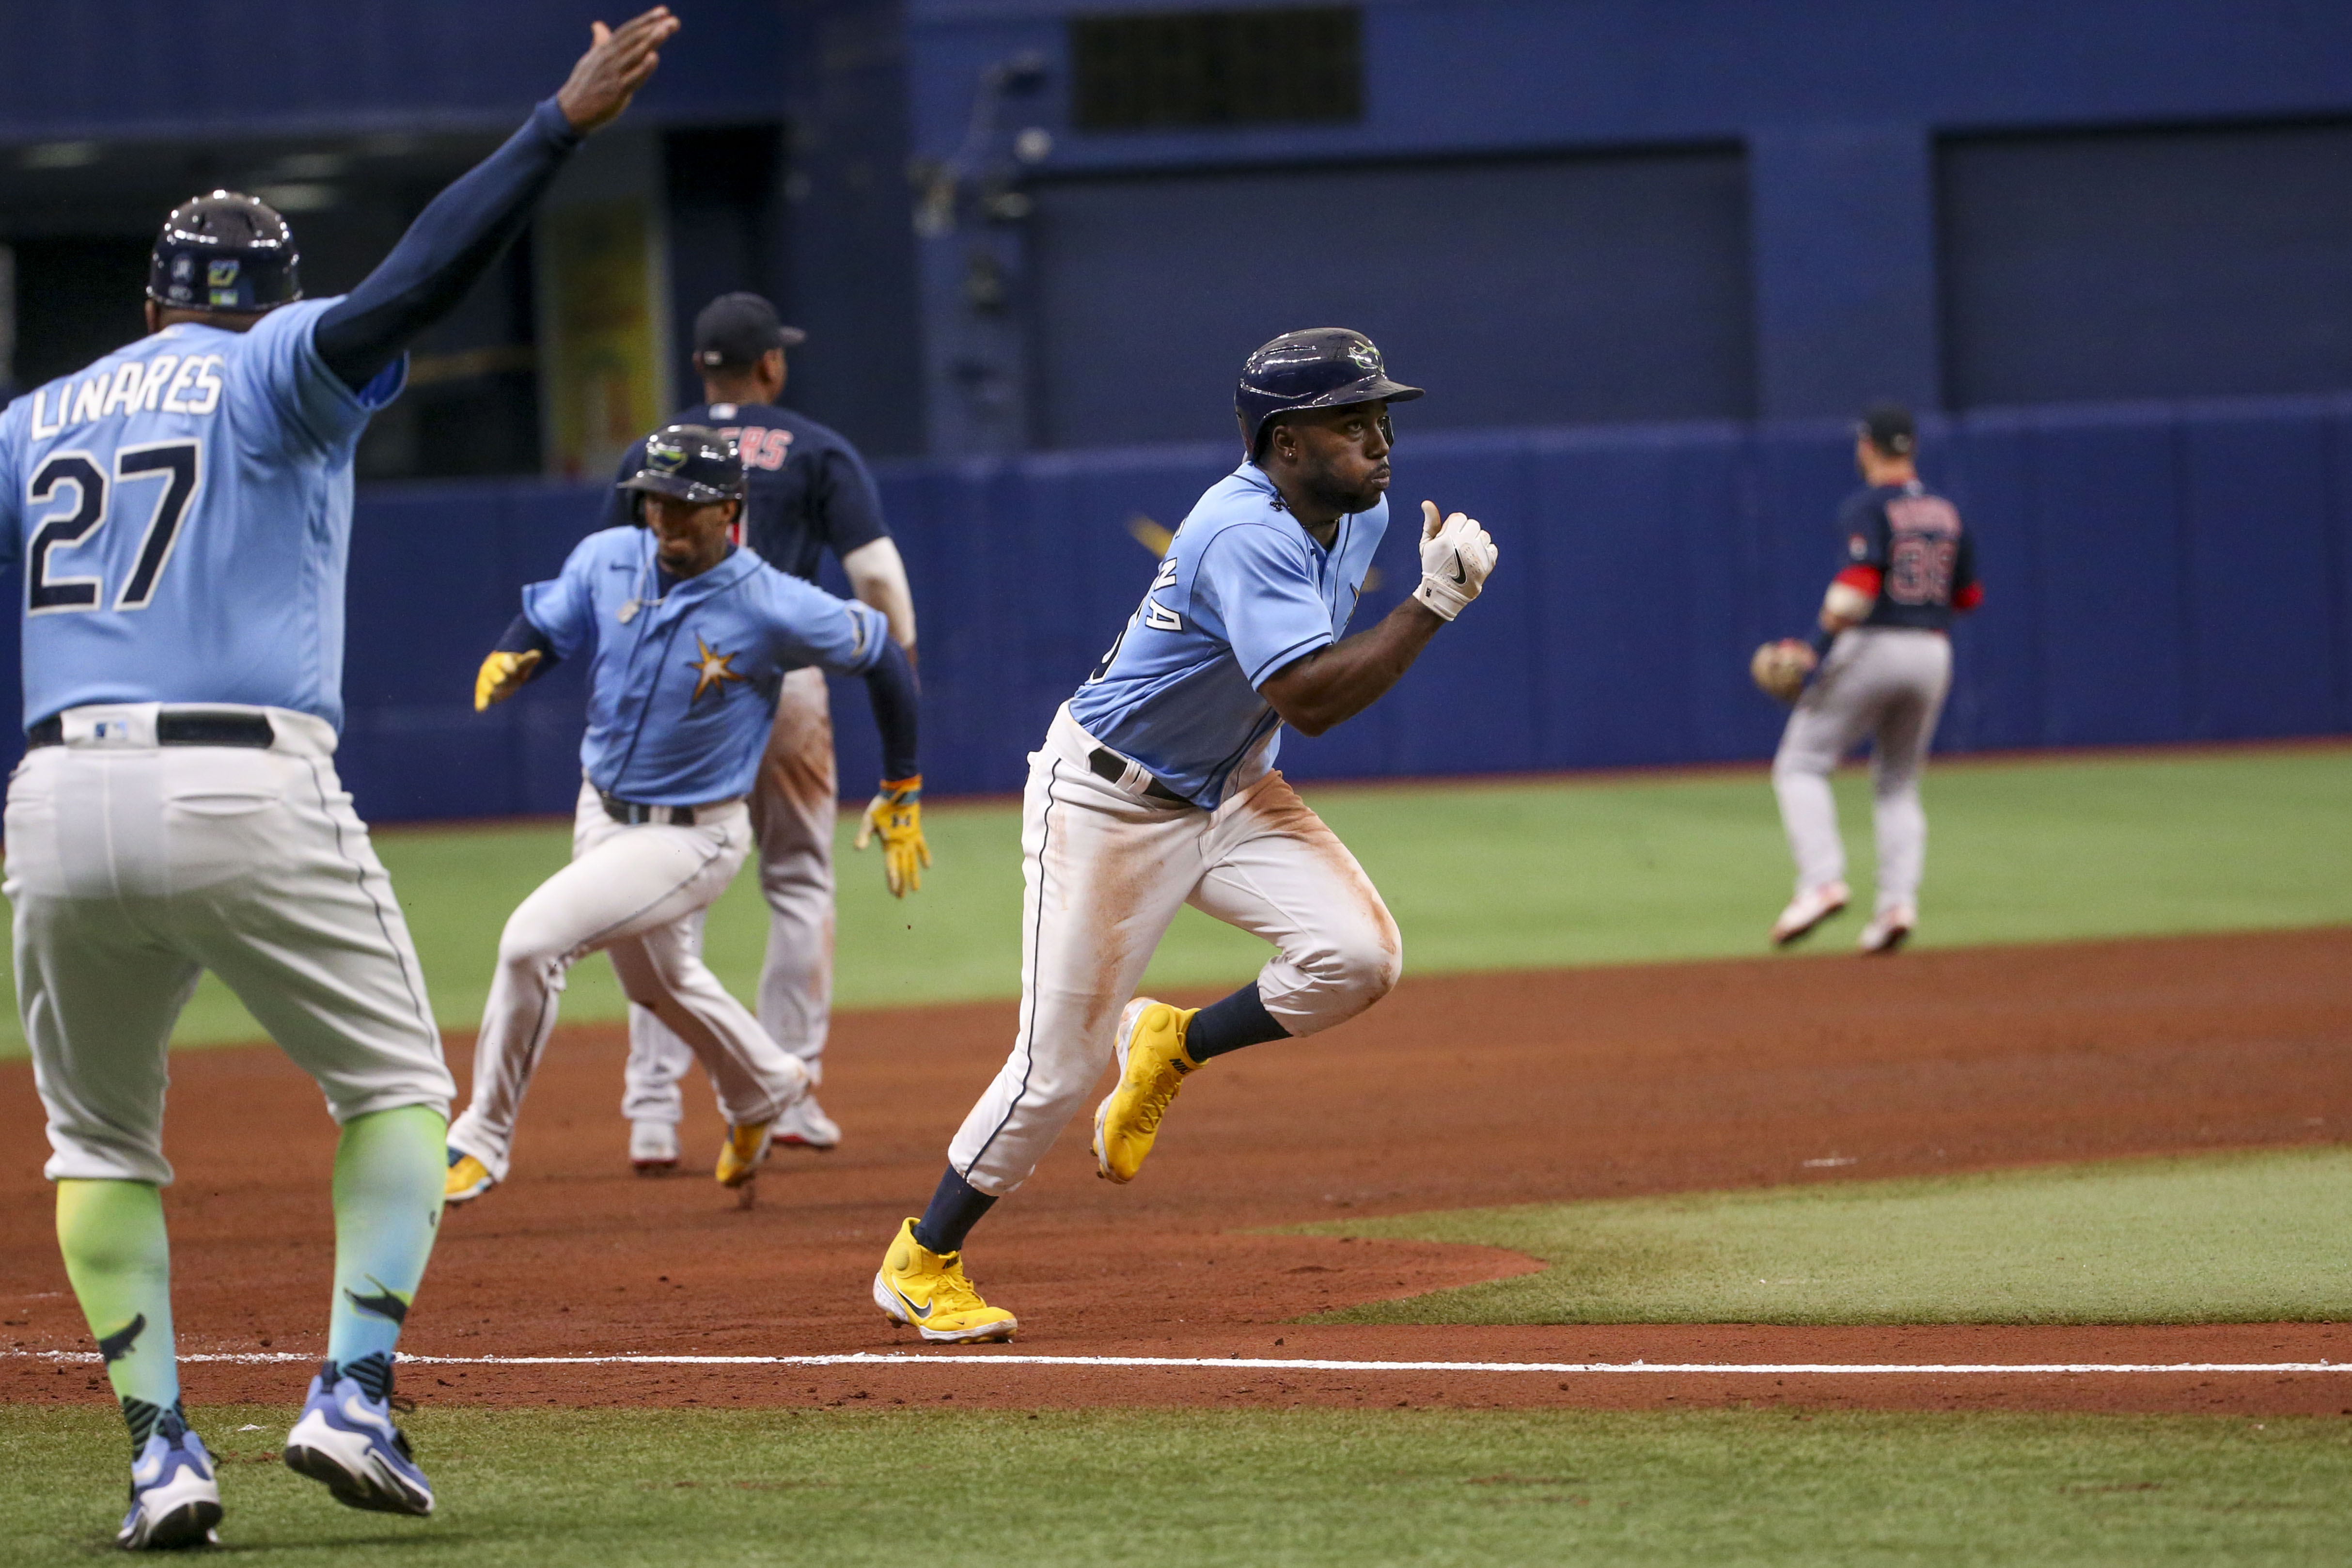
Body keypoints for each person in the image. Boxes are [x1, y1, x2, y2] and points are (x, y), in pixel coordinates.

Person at [0, 8, 681, 1546]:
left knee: (99, 1141)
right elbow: (414, 284)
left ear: (150, 297)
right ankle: (352, 1389)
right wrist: (554, 127)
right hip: (245, 781)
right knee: (397, 1090)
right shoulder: (273, 372)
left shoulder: (35, 421)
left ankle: (162, 1454)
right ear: (270, 303)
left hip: (53, 796)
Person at [868, 328, 1498, 1344]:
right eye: (1351, 420)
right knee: (1055, 1071)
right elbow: (1310, 697)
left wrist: (1421, 594)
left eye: (1382, 414)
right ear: (1285, 442)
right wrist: (1433, 604)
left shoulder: (1365, 509)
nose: (1380, 438)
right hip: (1108, 803)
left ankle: (1173, 1043)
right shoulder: (1238, 528)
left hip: (1232, 785)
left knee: (1358, 957)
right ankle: (922, 1259)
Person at [443, 424, 924, 1203]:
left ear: (730, 509)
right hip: (599, 811)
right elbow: (551, 620)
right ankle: (764, 1086)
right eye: (652, 502)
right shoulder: (610, 558)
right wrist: (515, 651)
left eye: (682, 505)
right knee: (662, 984)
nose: (663, 519)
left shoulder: (771, 601)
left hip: (693, 836)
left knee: (531, 945)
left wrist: (900, 782)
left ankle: (481, 1137)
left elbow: (879, 654)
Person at [603, 293, 917, 1171]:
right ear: (770, 365)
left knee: (657, 890)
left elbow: (612, 579)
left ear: (700, 366)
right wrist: (901, 666)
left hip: (674, 685)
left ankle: (653, 1112)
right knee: (797, 879)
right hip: (782, 676)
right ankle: (791, 1091)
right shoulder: (815, 447)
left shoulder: (651, 455)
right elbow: (874, 574)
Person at [1763, 402, 1982, 954]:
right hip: (1932, 650)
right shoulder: (1946, 513)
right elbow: (1968, 597)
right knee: (1899, 784)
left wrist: (1814, 650)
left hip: (1874, 642)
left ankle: (1821, 882)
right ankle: (1896, 906)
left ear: (1868, 447)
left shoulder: (1867, 505)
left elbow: (1857, 586)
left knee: (1800, 765)